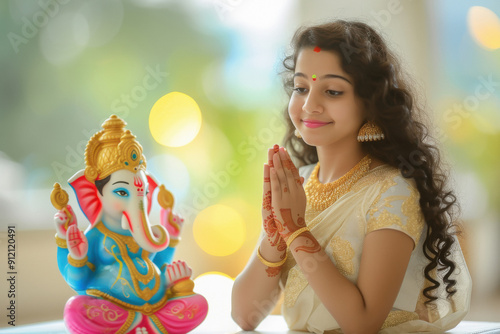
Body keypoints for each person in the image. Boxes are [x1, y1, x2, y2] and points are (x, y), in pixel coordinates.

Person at [231, 20, 471, 334]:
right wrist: (276, 237)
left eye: (332, 91)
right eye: (301, 87)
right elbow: (245, 317)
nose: (309, 105)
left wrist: (295, 230)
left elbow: (363, 324)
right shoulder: (298, 184)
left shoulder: (392, 192)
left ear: (370, 103)